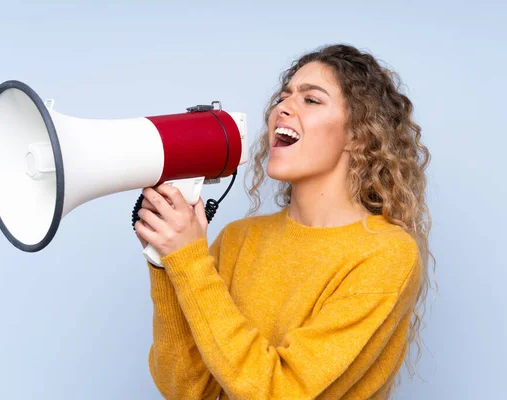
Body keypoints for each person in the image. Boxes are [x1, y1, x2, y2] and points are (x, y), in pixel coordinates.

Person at [134, 44, 434, 400]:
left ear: (358, 134)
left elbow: (279, 392)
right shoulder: (240, 239)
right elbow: (186, 388)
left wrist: (189, 260)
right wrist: (167, 260)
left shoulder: (385, 255)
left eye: (311, 100)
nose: (283, 108)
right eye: (283, 96)